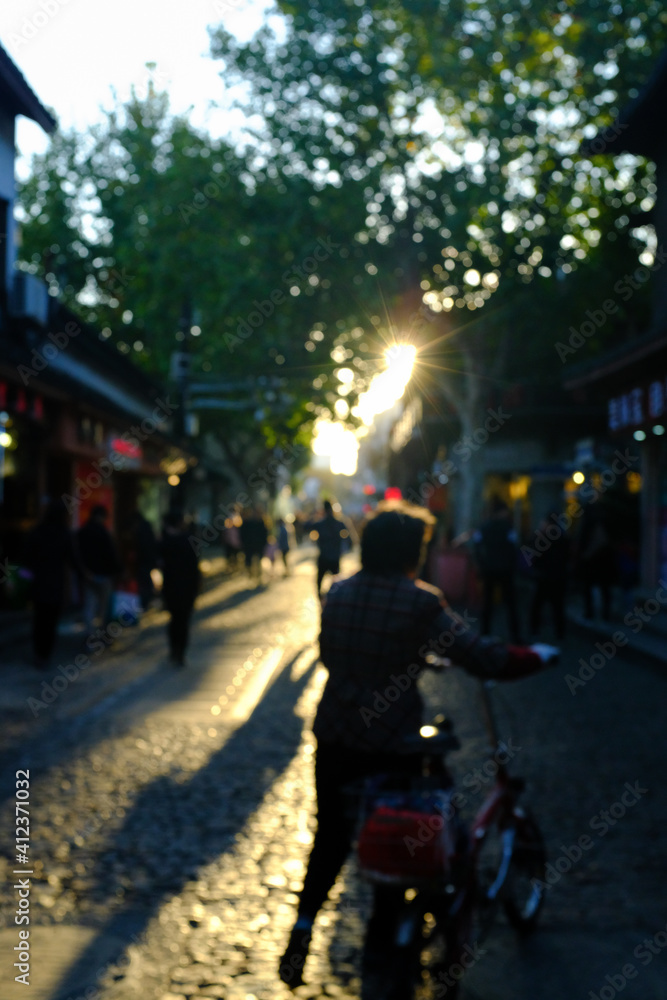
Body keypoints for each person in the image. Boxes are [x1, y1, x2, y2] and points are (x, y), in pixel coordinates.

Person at [278, 500, 558, 986]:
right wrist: (532, 656)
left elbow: (335, 656)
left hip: (336, 737)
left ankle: (303, 923)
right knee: (402, 836)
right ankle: (390, 934)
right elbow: (479, 655)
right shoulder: (420, 601)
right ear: (412, 551)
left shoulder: (338, 594)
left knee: (330, 835)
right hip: (391, 744)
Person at [23, 498, 80, 669]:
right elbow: (73, 559)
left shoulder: (37, 532)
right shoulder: (63, 533)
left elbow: (26, 557)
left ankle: (38, 654)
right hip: (55, 584)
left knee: (39, 620)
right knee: (50, 622)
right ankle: (45, 655)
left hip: (38, 583)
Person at [473, 497, 521, 643]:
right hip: (505, 570)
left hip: (489, 569)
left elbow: (477, 546)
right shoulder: (508, 527)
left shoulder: (484, 527)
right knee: (510, 604)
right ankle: (514, 635)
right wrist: (513, 566)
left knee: (487, 602)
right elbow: (514, 548)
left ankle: (485, 633)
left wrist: (481, 564)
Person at [159, 510, 201, 666]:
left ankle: (174, 649)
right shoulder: (189, 540)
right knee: (183, 621)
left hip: (171, 587)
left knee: (174, 620)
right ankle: (180, 652)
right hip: (186, 588)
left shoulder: (166, 541)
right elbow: (195, 567)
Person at [76, 505, 121, 634]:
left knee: (89, 606)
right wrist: (118, 570)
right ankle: (100, 634)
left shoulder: (82, 532)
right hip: (104, 575)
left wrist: (83, 571)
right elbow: (111, 554)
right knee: (103, 607)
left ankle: (89, 634)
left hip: (87, 575)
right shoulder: (103, 532)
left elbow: (77, 555)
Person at [528, 512, 570, 641]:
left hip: (544, 577)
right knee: (557, 606)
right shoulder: (562, 538)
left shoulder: (542, 537)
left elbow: (533, 556)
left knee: (538, 604)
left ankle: (535, 629)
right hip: (558, 577)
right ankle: (559, 632)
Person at [311, 499, 347, 596]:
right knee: (337, 582)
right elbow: (349, 537)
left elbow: (307, 526)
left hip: (323, 556)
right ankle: (335, 597)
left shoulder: (320, 523)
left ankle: (321, 598)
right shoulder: (339, 523)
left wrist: (315, 515)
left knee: (319, 582)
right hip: (335, 556)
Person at [133, 511, 159, 612]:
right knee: (147, 581)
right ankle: (147, 600)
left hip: (144, 561)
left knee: (144, 582)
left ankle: (144, 602)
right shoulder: (147, 529)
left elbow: (144, 547)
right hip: (148, 560)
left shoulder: (141, 532)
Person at [239, 506, 269, 583]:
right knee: (249, 561)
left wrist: (264, 543)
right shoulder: (248, 522)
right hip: (250, 546)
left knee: (258, 560)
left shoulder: (261, 522)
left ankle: (258, 575)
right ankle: (251, 575)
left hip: (257, 546)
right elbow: (242, 534)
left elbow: (265, 534)